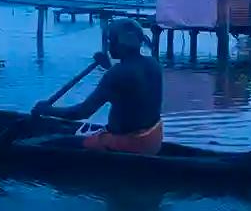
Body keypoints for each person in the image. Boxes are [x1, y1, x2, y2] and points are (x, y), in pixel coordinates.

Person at [33, 18, 164, 155]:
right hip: (153, 140)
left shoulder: (117, 74)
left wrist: (47, 110)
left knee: (53, 142)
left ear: (119, 44)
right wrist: (108, 67)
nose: (108, 45)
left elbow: (81, 113)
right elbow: (130, 88)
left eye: (110, 41)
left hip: (129, 144)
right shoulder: (153, 64)